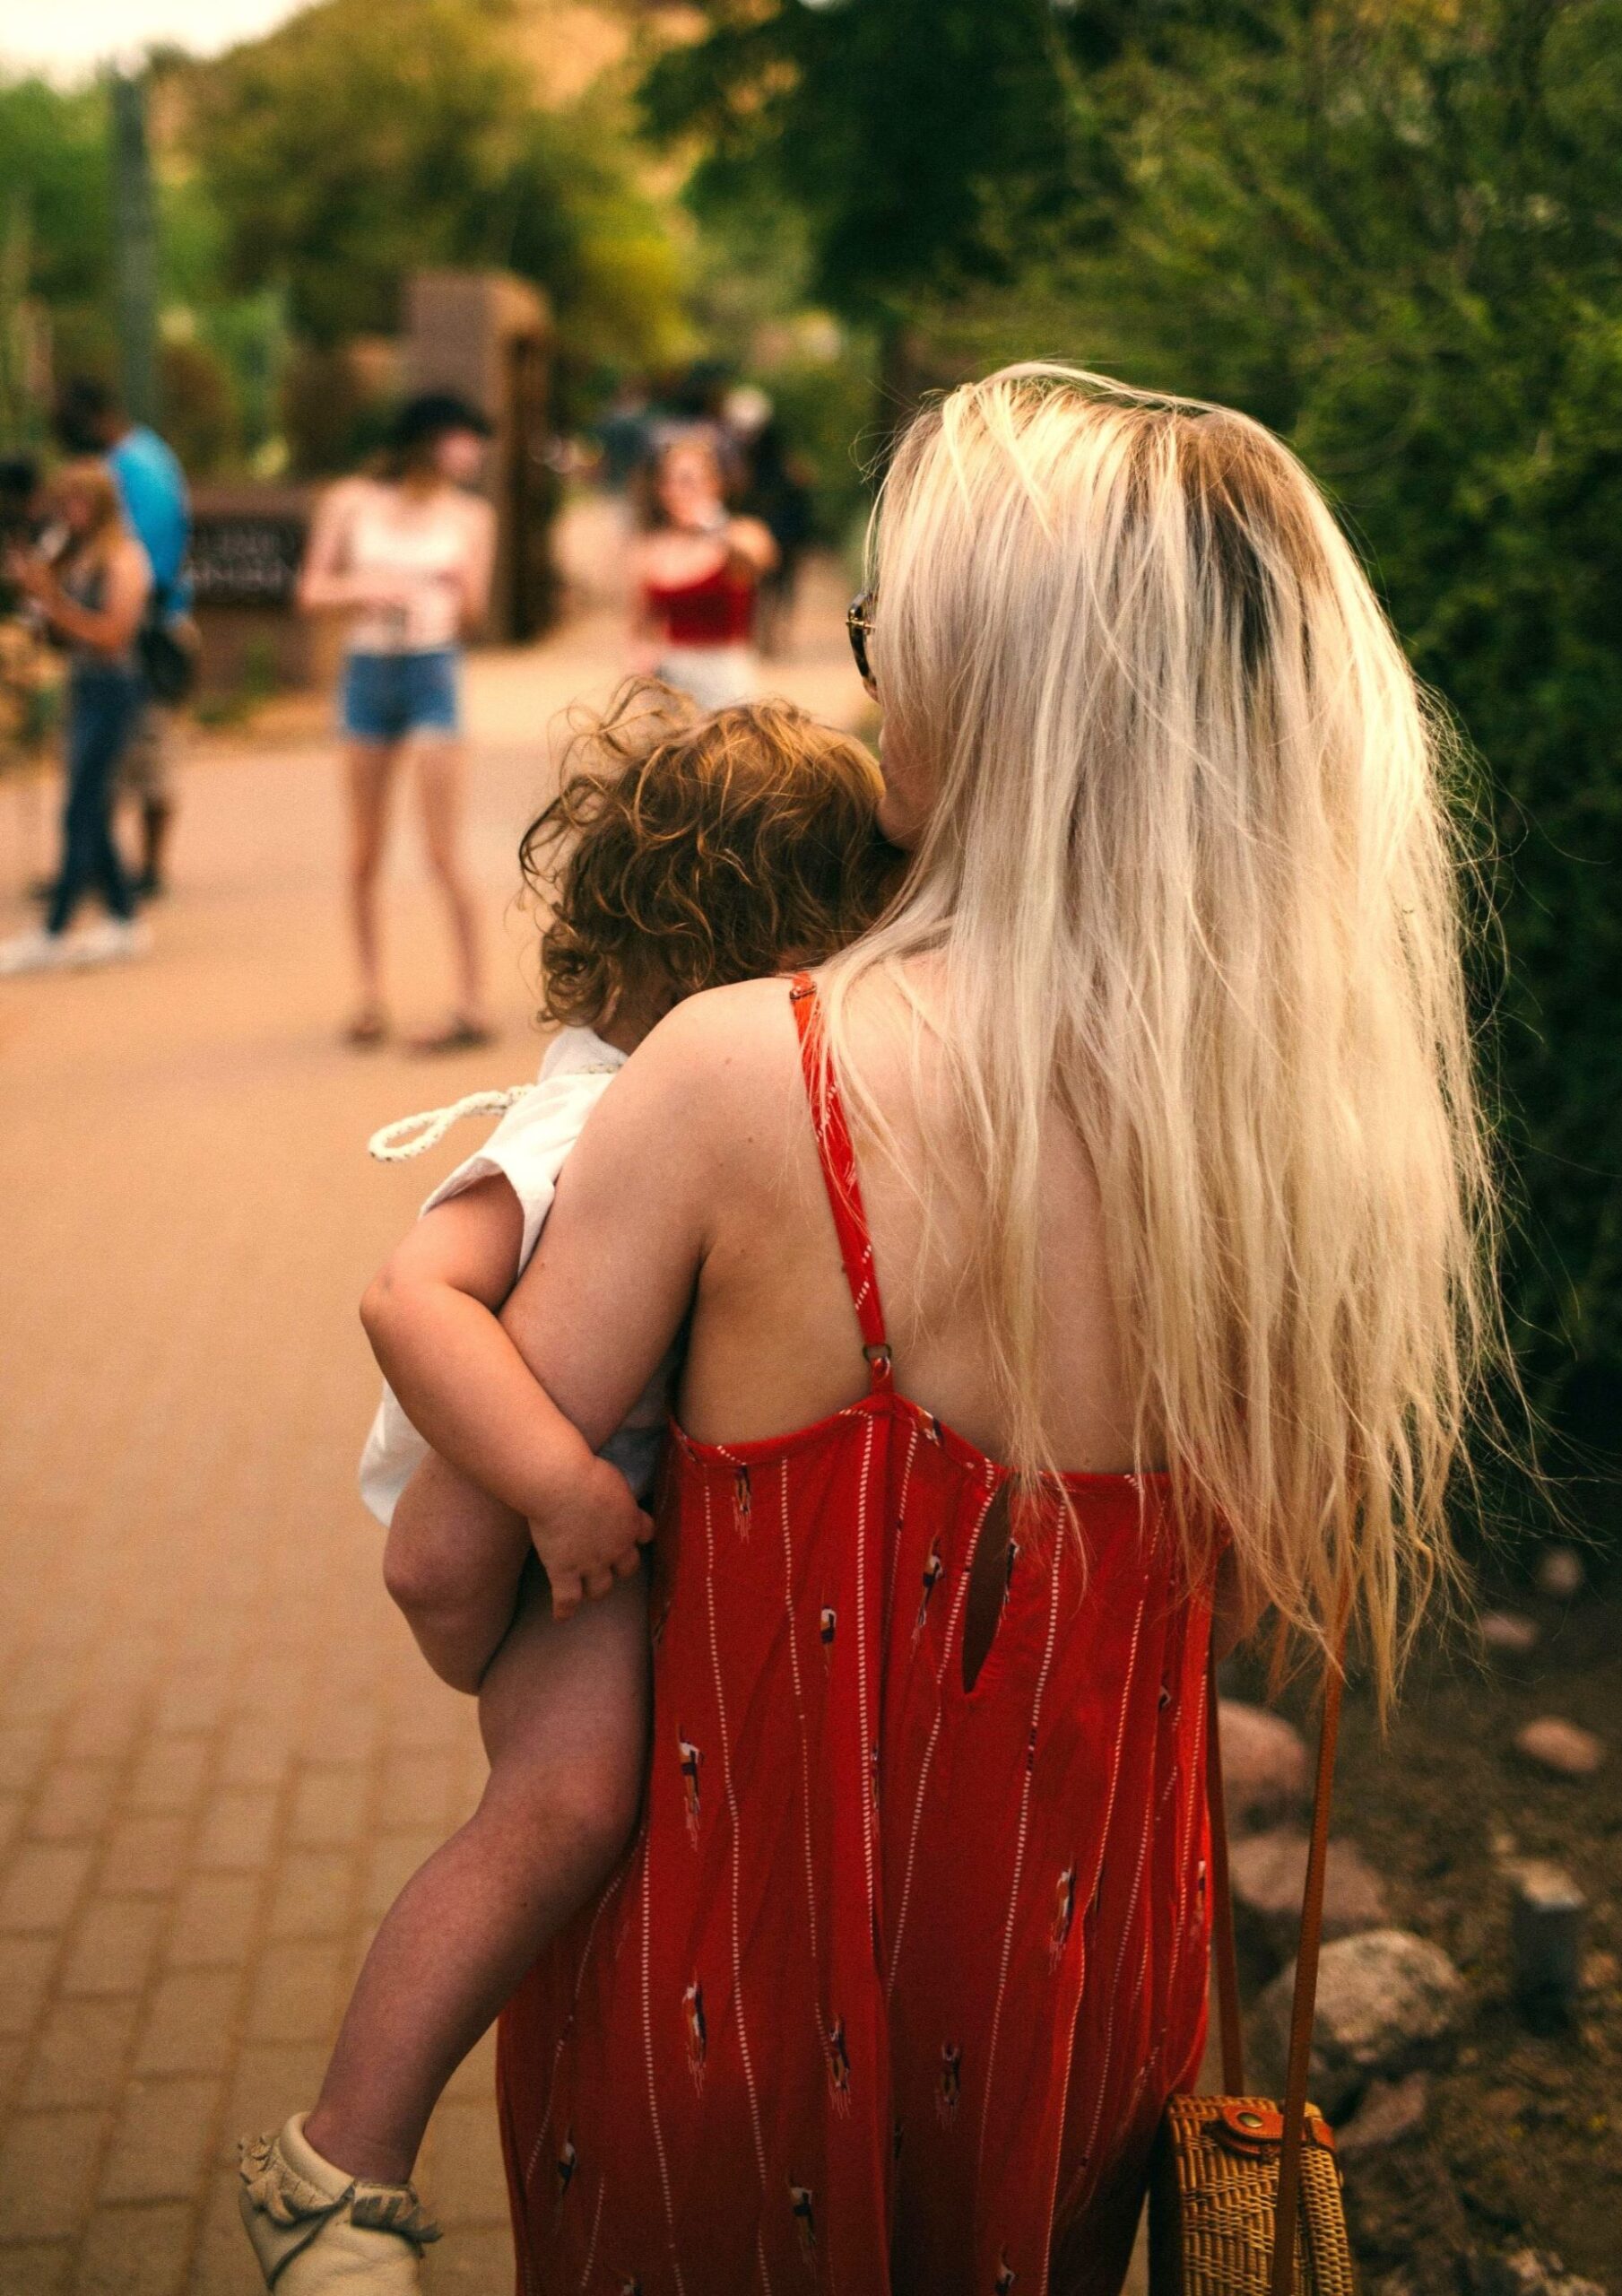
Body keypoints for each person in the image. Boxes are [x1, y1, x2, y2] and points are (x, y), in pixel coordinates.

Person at [268, 362, 1496, 2295]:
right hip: (1085, 1992)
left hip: (729, 2005)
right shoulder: (1297, 1149)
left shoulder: (741, 1080)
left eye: (887, 635)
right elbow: (1217, 1619)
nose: (866, 682)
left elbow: (444, 1545)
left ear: (995, 682)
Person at [236, 684, 898, 2294]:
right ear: (766, 939)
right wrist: (552, 1494)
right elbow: (408, 1301)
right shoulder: (598, 1115)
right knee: (562, 1807)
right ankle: (336, 2163)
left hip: (567, 1519)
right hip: (543, 1543)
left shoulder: (652, 1088)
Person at [298, 392, 498, 1052]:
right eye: (465, 436)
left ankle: (471, 999)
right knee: (364, 848)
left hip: (432, 670)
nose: (472, 452)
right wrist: (368, 586)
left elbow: (475, 614)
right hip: (368, 672)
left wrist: (457, 582)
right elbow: (311, 590)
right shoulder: (352, 502)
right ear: (431, 438)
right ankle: (368, 995)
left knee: (442, 847)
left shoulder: (471, 515)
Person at [0, 462, 152, 975]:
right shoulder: (82, 555)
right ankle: (124, 919)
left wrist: (53, 601)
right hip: (85, 686)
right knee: (91, 808)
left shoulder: (125, 558)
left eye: (77, 502)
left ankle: (55, 928)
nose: (69, 513)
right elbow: (62, 622)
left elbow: (113, 634)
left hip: (114, 688)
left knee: (79, 809)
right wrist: (35, 590)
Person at [55, 378, 192, 898]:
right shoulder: (121, 464)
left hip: (147, 629)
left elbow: (147, 555)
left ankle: (148, 869)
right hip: (114, 631)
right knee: (97, 760)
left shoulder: (141, 466)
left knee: (147, 751)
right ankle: (93, 863)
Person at [629, 435, 777, 711]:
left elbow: (762, 557)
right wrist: (638, 666)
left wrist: (713, 522)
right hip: (671, 677)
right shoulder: (651, 548)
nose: (677, 491)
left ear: (714, 485)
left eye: (688, 481)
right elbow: (640, 626)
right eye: (669, 481)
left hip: (723, 674)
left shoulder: (738, 535)